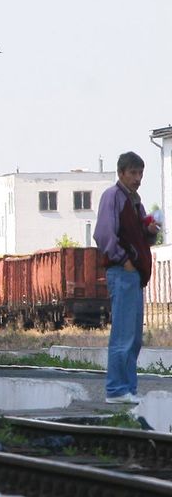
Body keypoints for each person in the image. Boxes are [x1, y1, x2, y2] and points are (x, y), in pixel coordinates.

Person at [93, 151, 159, 404]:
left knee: (133, 335)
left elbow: (139, 236)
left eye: (140, 173)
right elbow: (104, 234)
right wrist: (124, 260)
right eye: (133, 173)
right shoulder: (113, 197)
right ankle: (116, 389)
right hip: (123, 272)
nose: (138, 178)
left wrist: (149, 231)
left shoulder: (135, 201)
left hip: (134, 275)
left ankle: (127, 388)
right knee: (123, 333)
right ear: (121, 173)